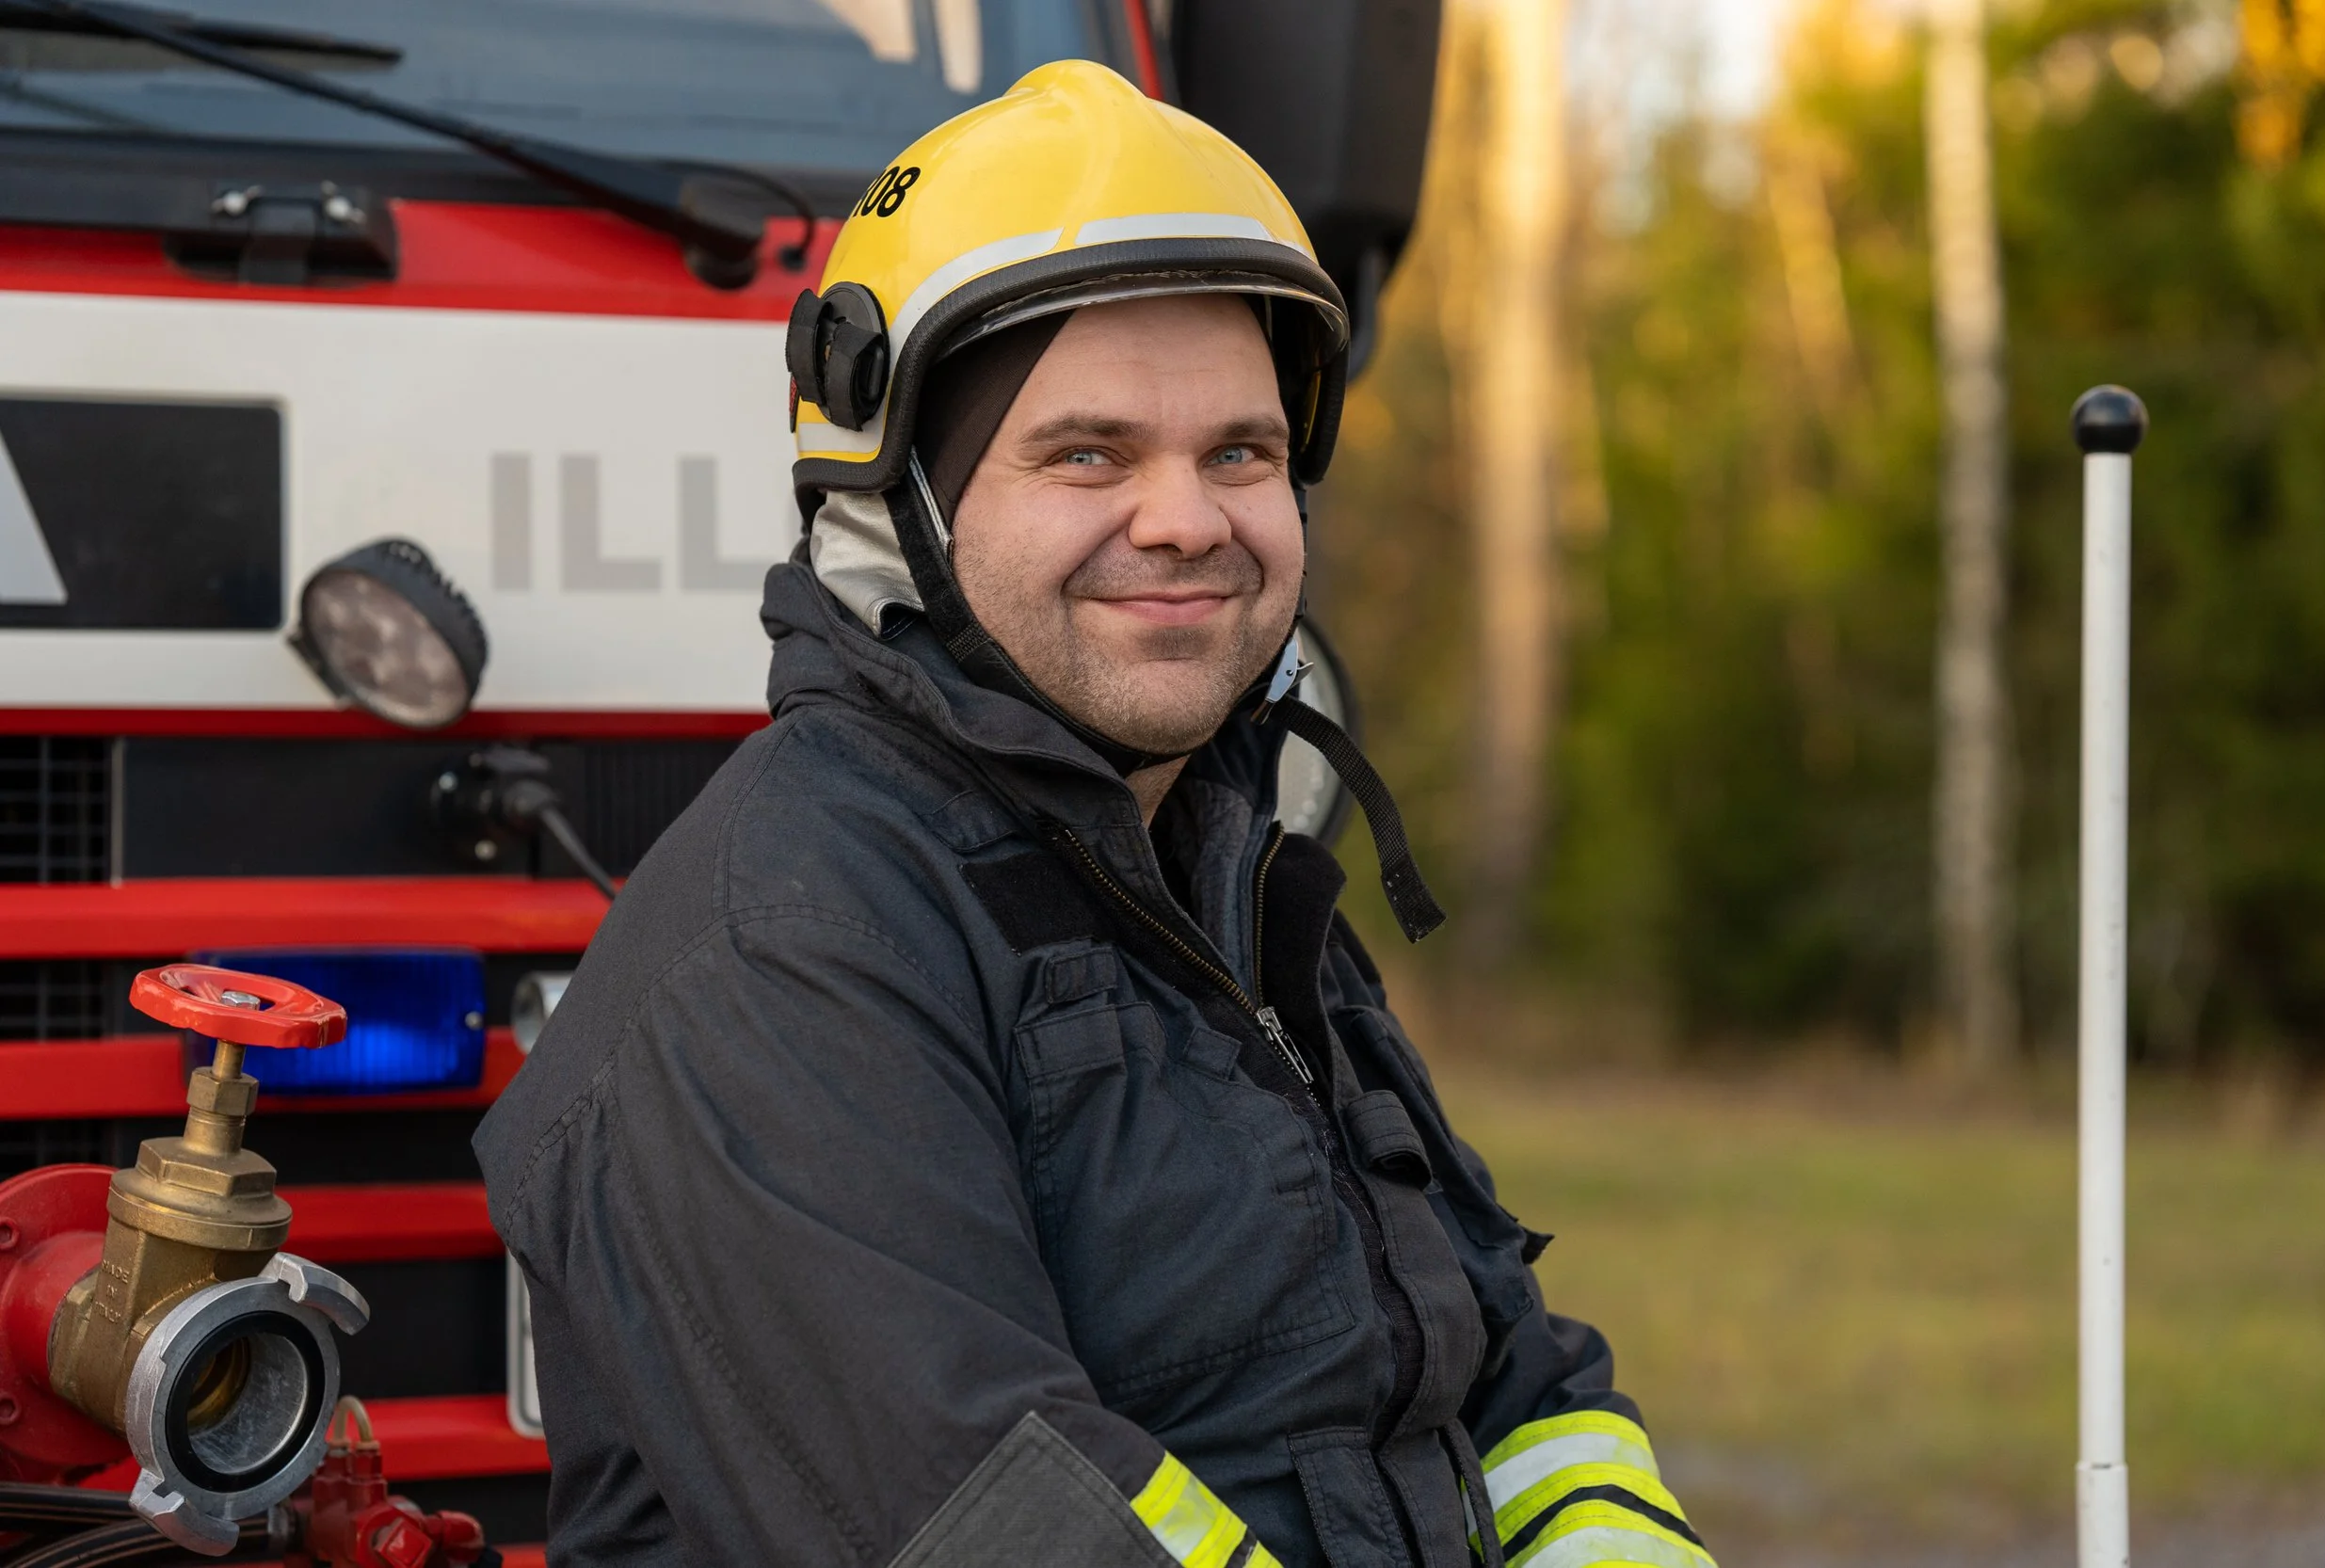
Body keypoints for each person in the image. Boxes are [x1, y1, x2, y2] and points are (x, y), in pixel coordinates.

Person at [475, 59, 1714, 1568]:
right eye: (1089, 453)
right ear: (899, 493)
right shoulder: (784, 951)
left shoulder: (1224, 879)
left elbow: (1510, 1373)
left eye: (1239, 453)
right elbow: (996, 1525)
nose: (1188, 518)